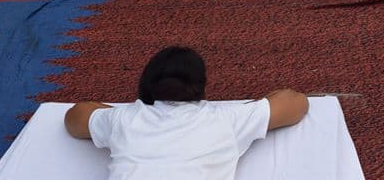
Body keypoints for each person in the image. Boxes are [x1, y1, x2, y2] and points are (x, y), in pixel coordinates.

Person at [64, 47, 309, 178]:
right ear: (201, 87)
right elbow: (297, 104)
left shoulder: (125, 120)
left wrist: (117, 115)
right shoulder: (224, 119)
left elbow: (74, 119)